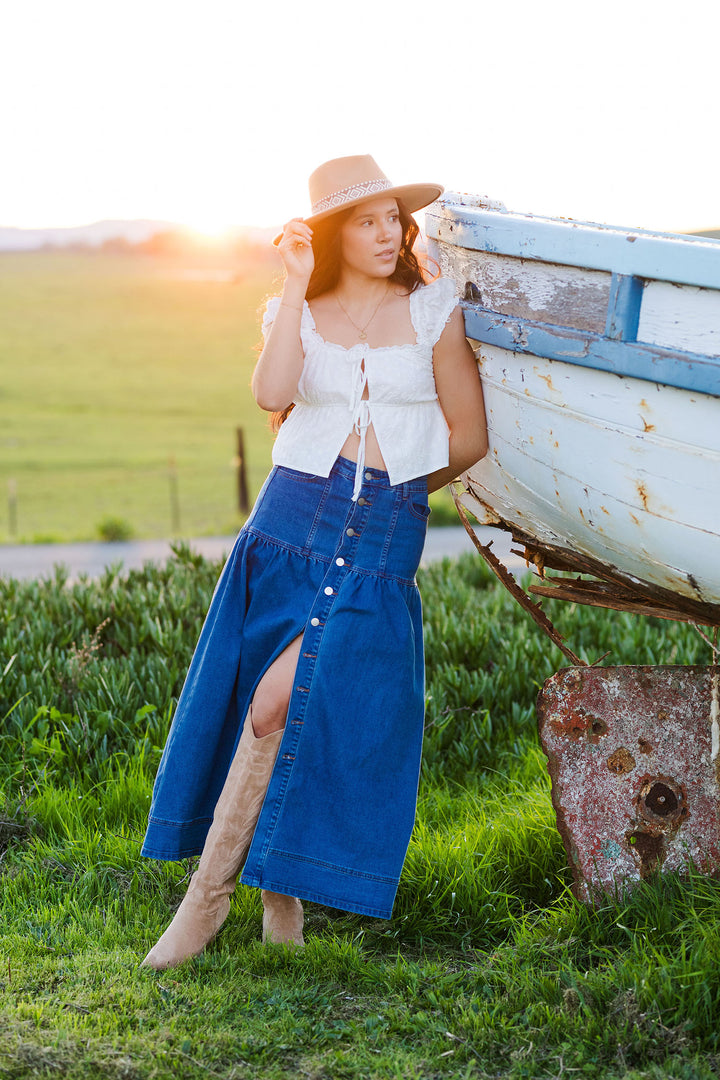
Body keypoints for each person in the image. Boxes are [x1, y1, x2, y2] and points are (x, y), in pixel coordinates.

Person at [140, 155, 488, 969]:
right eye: (364, 221)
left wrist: (393, 496)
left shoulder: (434, 309)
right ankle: (258, 896)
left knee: (284, 704)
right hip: (290, 522)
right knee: (269, 709)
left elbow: (468, 437)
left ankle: (217, 900)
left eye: (392, 220)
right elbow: (271, 395)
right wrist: (295, 283)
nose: (386, 234)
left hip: (381, 538)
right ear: (332, 234)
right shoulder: (294, 308)